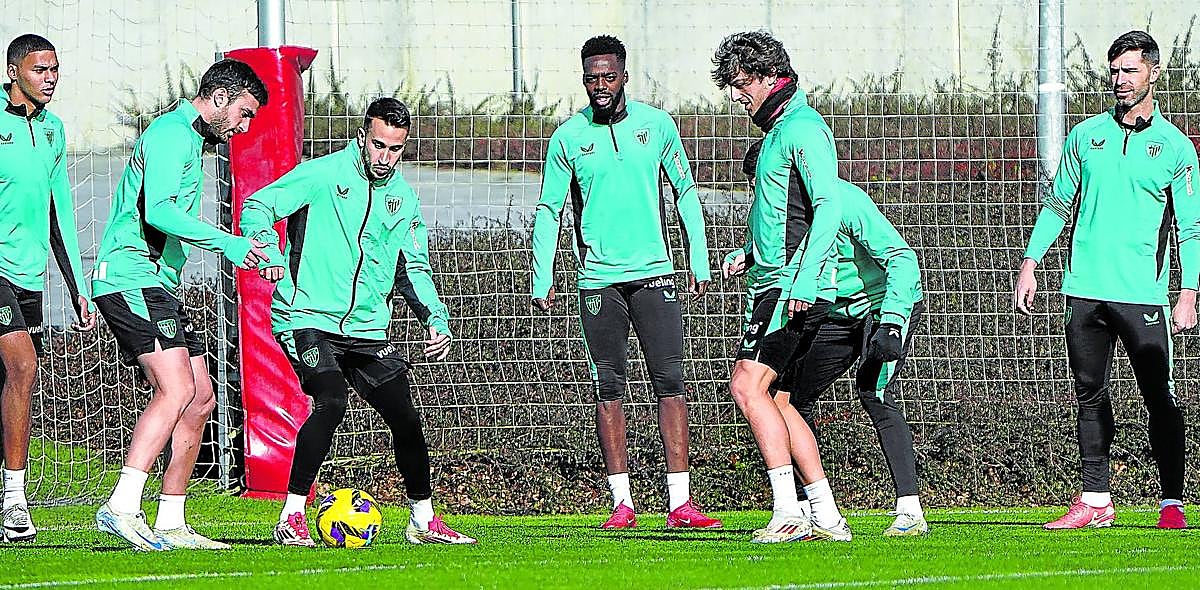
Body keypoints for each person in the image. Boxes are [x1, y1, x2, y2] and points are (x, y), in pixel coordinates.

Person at [241, 97, 474, 546]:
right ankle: (291, 515)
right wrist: (266, 250)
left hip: (367, 330)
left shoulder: (403, 199)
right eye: (378, 144)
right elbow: (258, 206)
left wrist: (436, 319)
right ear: (362, 136)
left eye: (396, 149)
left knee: (405, 417)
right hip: (305, 316)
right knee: (330, 400)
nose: (385, 158)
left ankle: (423, 520)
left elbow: (414, 267)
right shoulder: (323, 175)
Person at [530, 35, 720, 529]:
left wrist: (698, 261)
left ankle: (680, 501)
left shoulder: (657, 126)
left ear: (624, 77)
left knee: (669, 381)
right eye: (592, 78)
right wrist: (542, 275)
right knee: (607, 385)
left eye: (608, 76)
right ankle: (623, 503)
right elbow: (550, 208)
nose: (600, 86)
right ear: (584, 79)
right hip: (597, 281)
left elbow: (686, 192)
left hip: (655, 274)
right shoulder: (567, 137)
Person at [1015, 30, 1199, 530]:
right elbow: (1058, 203)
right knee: (1089, 393)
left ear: (1155, 73)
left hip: (1143, 295)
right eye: (1114, 72)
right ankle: (1095, 499)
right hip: (1084, 289)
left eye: (1130, 71)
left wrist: (1188, 292)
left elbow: (1191, 227)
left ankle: (1171, 502)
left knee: (1158, 394)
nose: (1119, 81)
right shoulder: (1084, 137)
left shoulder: (1176, 149)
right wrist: (1032, 261)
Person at [92, 58, 273, 550]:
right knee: (174, 390)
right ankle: (121, 506)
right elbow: (159, 210)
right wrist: (229, 243)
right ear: (219, 99)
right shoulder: (172, 133)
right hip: (130, 275)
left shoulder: (194, 139)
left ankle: (171, 520)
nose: (245, 125)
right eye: (244, 112)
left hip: (159, 282)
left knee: (200, 398)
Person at [727, 140, 927, 539]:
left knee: (874, 393)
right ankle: (814, 511)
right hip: (832, 314)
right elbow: (775, 249)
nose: (762, 193)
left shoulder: (845, 201)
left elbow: (902, 259)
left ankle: (910, 509)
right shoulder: (772, 210)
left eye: (768, 183)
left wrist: (891, 322)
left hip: (882, 306)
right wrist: (746, 254)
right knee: (788, 397)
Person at [710, 31, 845, 542]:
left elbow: (828, 205)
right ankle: (828, 518)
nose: (734, 93)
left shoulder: (804, 129)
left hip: (792, 286)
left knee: (747, 386)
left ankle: (788, 512)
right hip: (775, 278)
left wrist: (804, 278)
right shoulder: (775, 132)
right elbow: (781, 211)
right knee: (781, 400)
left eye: (741, 83)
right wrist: (748, 251)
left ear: (771, 77)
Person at [0, 33, 95, 543]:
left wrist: (78, 288)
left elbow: (61, 214)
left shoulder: (55, 131)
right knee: (23, 366)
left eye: (55, 69)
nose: (50, 78)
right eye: (40, 70)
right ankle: (16, 500)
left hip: (28, 275)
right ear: (14, 71)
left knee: (13, 384)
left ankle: (7, 490)